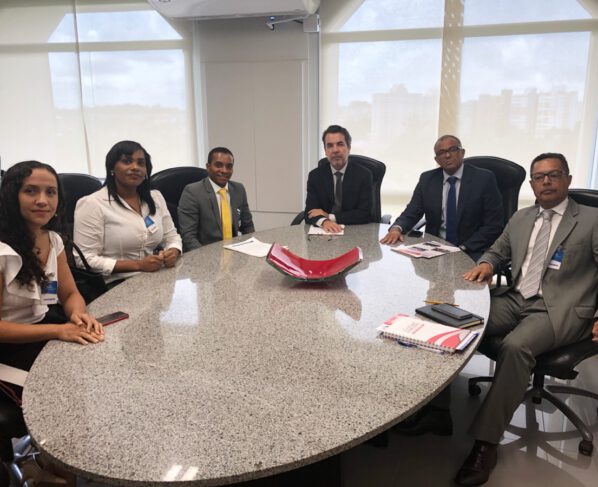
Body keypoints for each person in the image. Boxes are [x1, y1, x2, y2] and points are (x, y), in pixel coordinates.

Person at [458, 153, 598, 486]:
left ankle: (485, 444)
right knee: (460, 320)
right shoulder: (521, 218)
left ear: (567, 179)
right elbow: (498, 250)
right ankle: (432, 409)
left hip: (561, 308)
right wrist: (487, 264)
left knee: (515, 346)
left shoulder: (592, 219)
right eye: (538, 176)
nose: (546, 181)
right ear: (531, 184)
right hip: (517, 298)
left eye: (554, 174)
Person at [0, 160, 104, 406]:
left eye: (51, 192)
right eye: (30, 191)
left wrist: (78, 314)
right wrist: (58, 330)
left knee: (99, 369)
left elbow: (69, 294)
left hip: (43, 330)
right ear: (11, 196)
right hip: (8, 349)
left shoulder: (53, 239)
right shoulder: (2, 252)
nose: (42, 200)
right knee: (57, 398)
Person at [380, 135, 504, 261]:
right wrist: (396, 228)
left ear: (462, 153)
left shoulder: (484, 179)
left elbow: (494, 225)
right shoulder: (427, 179)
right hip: (435, 248)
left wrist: (464, 247)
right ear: (436, 159)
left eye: (452, 150)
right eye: (441, 153)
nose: (447, 155)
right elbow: (412, 212)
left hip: (471, 249)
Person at [74, 140, 182, 284]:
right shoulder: (93, 204)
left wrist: (173, 251)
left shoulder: (155, 197)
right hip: (115, 283)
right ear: (112, 167)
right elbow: (85, 259)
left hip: (155, 277)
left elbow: (172, 236)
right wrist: (138, 265)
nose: (135, 167)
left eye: (141, 163)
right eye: (127, 161)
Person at [178, 147, 254, 252]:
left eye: (229, 166)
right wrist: (208, 259)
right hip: (205, 254)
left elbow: (248, 226)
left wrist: (252, 249)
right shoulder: (192, 192)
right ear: (208, 167)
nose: (224, 171)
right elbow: (189, 238)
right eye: (218, 165)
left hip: (234, 253)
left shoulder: (239, 189)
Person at [304, 125, 374, 233]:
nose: (335, 150)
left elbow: (365, 214)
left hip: (356, 232)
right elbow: (310, 213)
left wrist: (329, 216)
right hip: (325, 233)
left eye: (340, 144)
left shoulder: (364, 175)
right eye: (330, 146)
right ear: (325, 151)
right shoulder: (315, 176)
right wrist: (324, 221)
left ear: (349, 148)